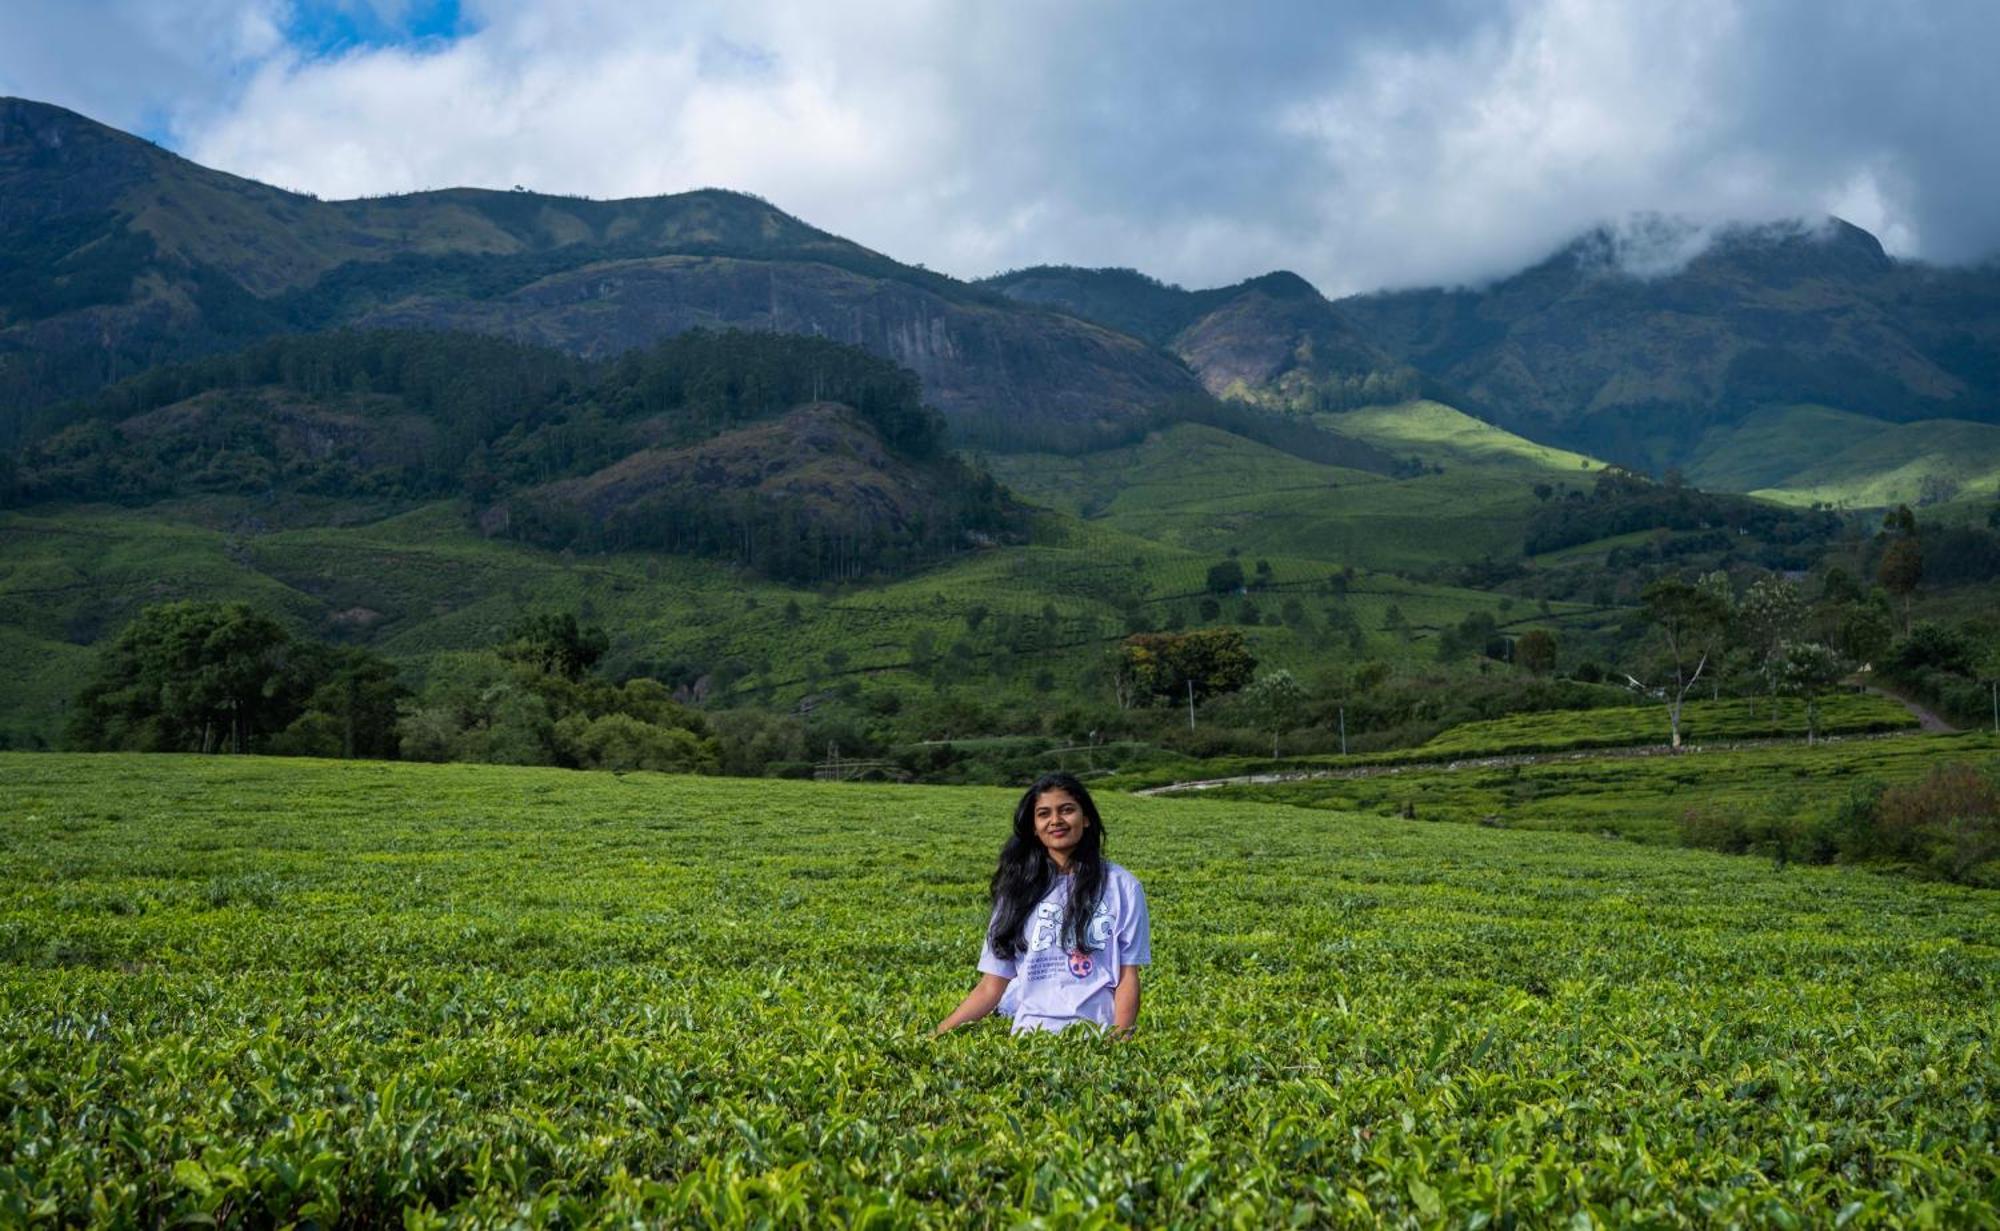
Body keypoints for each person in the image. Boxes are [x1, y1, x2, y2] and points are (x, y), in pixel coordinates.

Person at [934, 772, 1150, 1036]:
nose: (1056, 821)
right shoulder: (1016, 890)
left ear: (1087, 818)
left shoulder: (1122, 886)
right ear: (1034, 828)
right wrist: (937, 1035)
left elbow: (1128, 976)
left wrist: (1119, 1038)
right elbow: (991, 986)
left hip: (1095, 1035)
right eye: (1044, 814)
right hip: (1030, 1038)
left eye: (1067, 810)